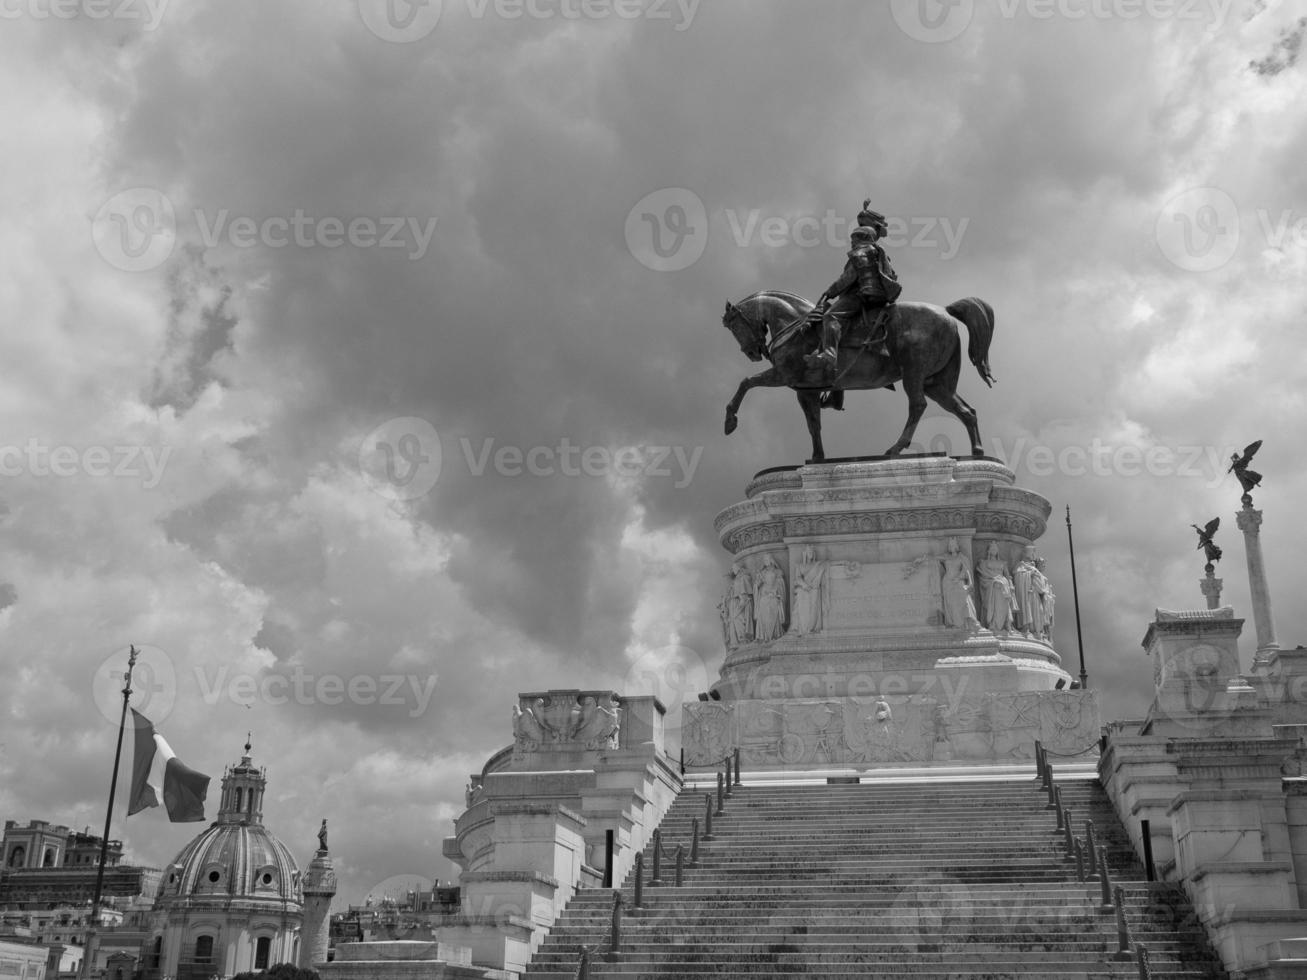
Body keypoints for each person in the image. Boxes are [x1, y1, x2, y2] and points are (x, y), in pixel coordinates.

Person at [805, 201, 901, 380]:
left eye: (854, 238)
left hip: (862, 296)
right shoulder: (879, 253)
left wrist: (830, 292)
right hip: (877, 296)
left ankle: (830, 354)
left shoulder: (860, 254)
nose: (852, 242)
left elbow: (847, 278)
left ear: (861, 239)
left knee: (830, 316)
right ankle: (835, 393)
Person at [975, 542, 1018, 632]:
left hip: (1003, 586)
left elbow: (1007, 575)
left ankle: (1005, 624)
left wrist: (1009, 584)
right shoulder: (984, 563)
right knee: (994, 602)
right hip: (991, 586)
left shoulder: (1002, 563)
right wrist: (994, 581)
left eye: (995, 549)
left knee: (1004, 605)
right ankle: (993, 624)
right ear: (989, 551)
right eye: (992, 549)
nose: (994, 551)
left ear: (997, 551)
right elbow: (983, 576)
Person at [790, 545, 829, 635]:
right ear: (805, 554)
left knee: (814, 606)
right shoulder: (800, 566)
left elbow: (825, 566)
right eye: (808, 552)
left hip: (814, 588)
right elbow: (797, 579)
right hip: (804, 589)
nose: (810, 554)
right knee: (801, 598)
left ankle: (813, 627)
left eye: (811, 552)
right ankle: (804, 628)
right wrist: (804, 585)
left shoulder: (818, 564)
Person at [753, 554, 787, 642]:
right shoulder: (762, 572)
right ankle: (764, 635)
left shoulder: (777, 571)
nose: (766, 561)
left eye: (767, 559)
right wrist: (757, 584)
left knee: (773, 603)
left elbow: (780, 584)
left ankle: (774, 634)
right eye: (765, 560)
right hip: (764, 593)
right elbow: (758, 584)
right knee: (762, 602)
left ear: (771, 560)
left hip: (774, 593)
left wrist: (775, 591)